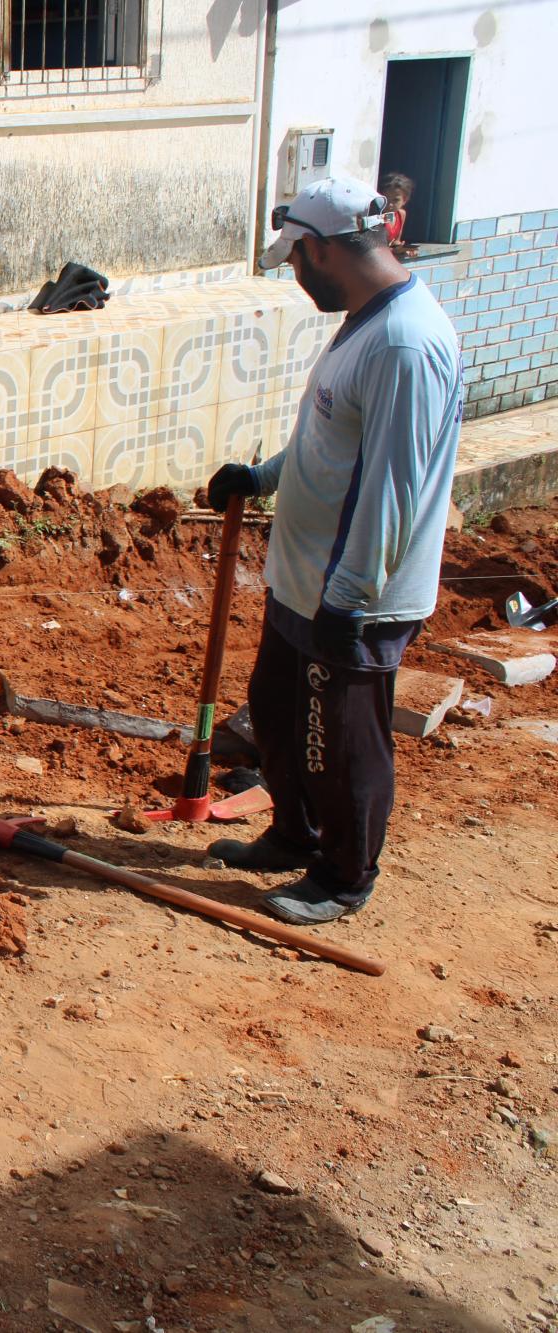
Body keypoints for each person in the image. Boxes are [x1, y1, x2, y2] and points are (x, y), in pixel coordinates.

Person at [204, 174, 462, 925]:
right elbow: (327, 439)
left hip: (352, 597)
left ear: (322, 248)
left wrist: (349, 599)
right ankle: (294, 832)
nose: (294, 273)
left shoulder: (406, 344)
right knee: (278, 715)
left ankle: (345, 875)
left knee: (339, 739)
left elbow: (393, 486)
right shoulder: (366, 319)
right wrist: (263, 476)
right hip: (305, 583)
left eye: (294, 260)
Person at [379, 171, 418, 258]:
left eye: (395, 200)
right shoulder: (376, 216)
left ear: (405, 200)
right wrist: (395, 250)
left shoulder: (400, 214)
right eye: (385, 198)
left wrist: (405, 249)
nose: (390, 204)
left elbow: (395, 241)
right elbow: (373, 249)